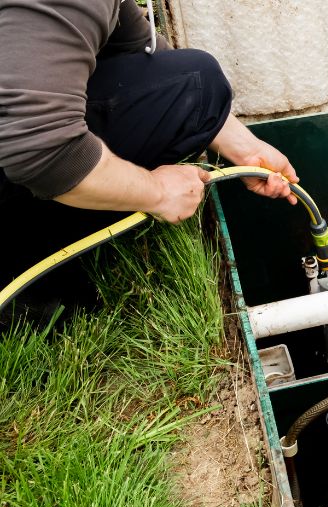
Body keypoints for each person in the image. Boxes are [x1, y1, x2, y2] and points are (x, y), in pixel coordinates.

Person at [0, 0, 297, 313]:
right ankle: (23, 280)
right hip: (18, 154)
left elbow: (139, 53)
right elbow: (39, 147)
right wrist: (158, 193)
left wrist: (248, 149)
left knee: (198, 83)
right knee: (197, 85)